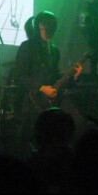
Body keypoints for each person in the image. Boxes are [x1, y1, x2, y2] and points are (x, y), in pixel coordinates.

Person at [12, 10, 85, 158]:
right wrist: (40, 87)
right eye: (51, 24)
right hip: (33, 100)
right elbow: (18, 76)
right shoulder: (27, 46)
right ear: (41, 25)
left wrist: (73, 76)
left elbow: (55, 77)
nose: (54, 28)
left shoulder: (54, 50)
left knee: (77, 122)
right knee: (31, 138)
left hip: (53, 98)